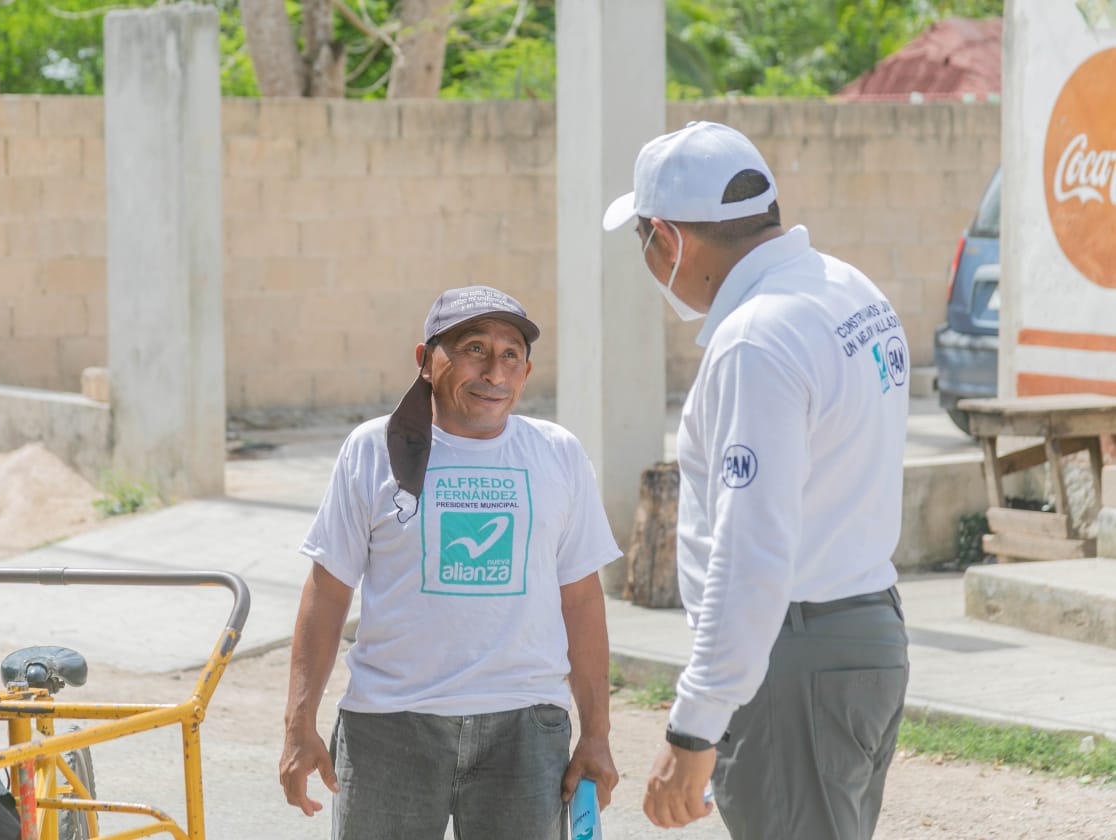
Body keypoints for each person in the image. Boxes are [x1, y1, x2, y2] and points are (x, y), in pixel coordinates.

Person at [602, 121, 911, 839]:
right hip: (863, 632)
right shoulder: (845, 288)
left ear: (670, 240)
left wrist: (693, 727)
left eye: (644, 240)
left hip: (794, 657)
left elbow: (753, 553)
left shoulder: (756, 341)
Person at [278, 285, 621, 839]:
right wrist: (298, 726)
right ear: (425, 361)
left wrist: (597, 735)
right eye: (472, 348)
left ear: (526, 371)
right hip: (390, 727)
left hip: (526, 730)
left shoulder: (557, 454)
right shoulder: (374, 449)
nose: (494, 371)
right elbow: (328, 589)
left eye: (510, 354)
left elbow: (581, 599)